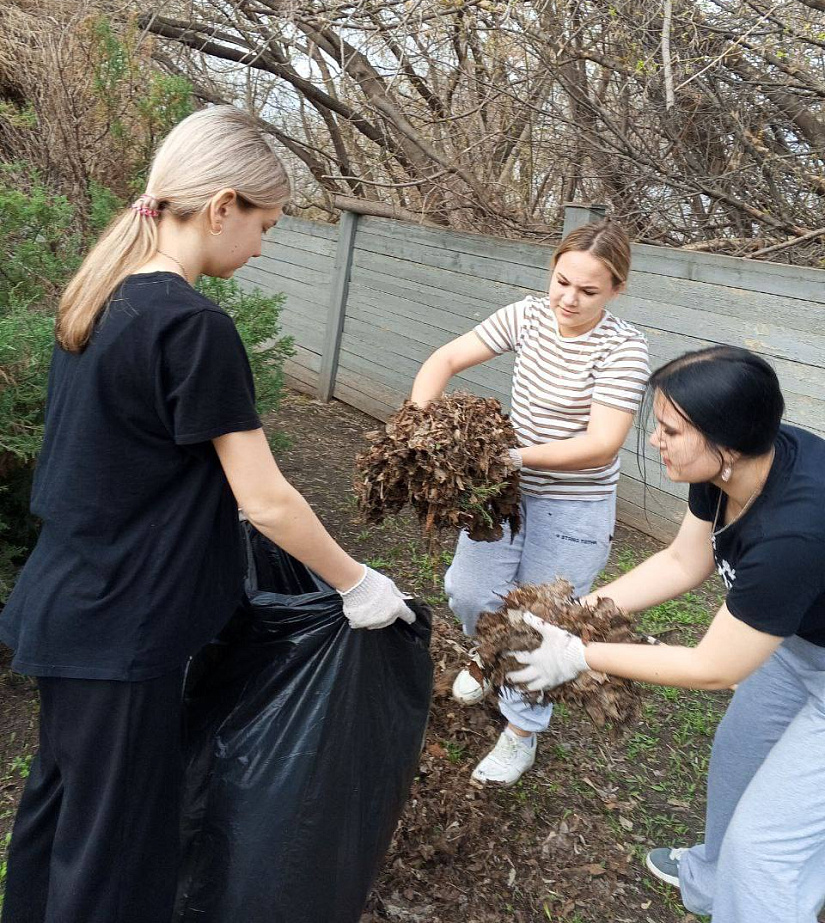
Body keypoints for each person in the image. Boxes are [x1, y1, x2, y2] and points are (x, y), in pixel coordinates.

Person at [0, 106, 414, 923]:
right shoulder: (193, 327)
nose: (262, 245)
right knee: (110, 851)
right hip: (125, 626)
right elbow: (264, 498)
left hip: (69, 604)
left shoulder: (99, 299)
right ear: (222, 206)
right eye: (264, 223)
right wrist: (358, 583)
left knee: (60, 815)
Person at [507, 345, 825, 923]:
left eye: (669, 430)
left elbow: (715, 668)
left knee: (766, 853)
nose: (655, 440)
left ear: (725, 444)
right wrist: (573, 613)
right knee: (737, 755)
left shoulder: (796, 533)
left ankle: (755, 892)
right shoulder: (730, 466)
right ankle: (710, 881)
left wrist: (579, 653)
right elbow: (684, 561)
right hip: (799, 642)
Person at [409, 219, 650, 784]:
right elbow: (443, 361)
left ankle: (520, 733)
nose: (568, 299)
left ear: (616, 289)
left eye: (589, 291)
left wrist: (511, 459)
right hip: (509, 493)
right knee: (467, 590)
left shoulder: (624, 348)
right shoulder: (526, 315)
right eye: (561, 281)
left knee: (542, 623)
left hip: (575, 504)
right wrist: (419, 428)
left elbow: (601, 444)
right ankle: (489, 656)